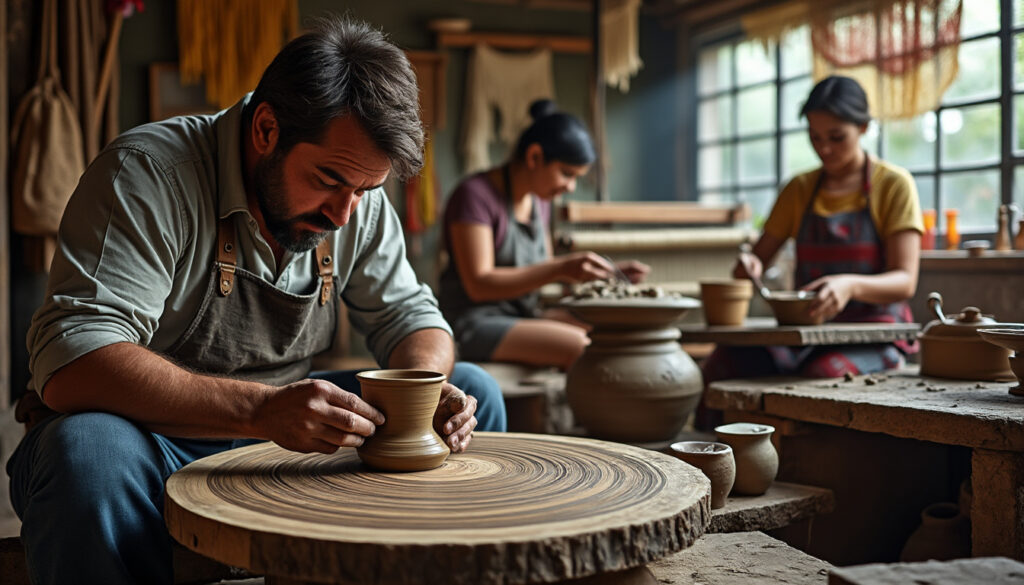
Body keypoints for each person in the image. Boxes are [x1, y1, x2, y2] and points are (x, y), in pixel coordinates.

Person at [6, 17, 506, 585]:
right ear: (266, 129)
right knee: (86, 454)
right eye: (328, 180)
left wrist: (423, 389)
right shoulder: (151, 175)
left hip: (284, 435)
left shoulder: (354, 201)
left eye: (363, 192)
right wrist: (260, 412)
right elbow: (74, 362)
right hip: (150, 441)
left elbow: (414, 318)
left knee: (475, 394)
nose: (344, 214)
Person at [701, 75, 922, 395]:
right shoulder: (798, 189)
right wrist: (749, 266)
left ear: (863, 127)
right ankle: (726, 446)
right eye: (815, 137)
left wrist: (850, 285)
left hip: (875, 335)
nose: (825, 149)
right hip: (805, 333)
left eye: (836, 137)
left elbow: (905, 280)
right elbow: (751, 265)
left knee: (820, 375)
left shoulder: (893, 185)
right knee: (723, 364)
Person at [438, 99, 650, 371]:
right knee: (584, 349)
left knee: (619, 333)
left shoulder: (540, 202)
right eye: (566, 174)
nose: (571, 187)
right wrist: (560, 268)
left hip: (525, 315)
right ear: (534, 157)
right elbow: (479, 284)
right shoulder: (474, 196)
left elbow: (543, 274)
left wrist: (607, 274)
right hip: (472, 323)